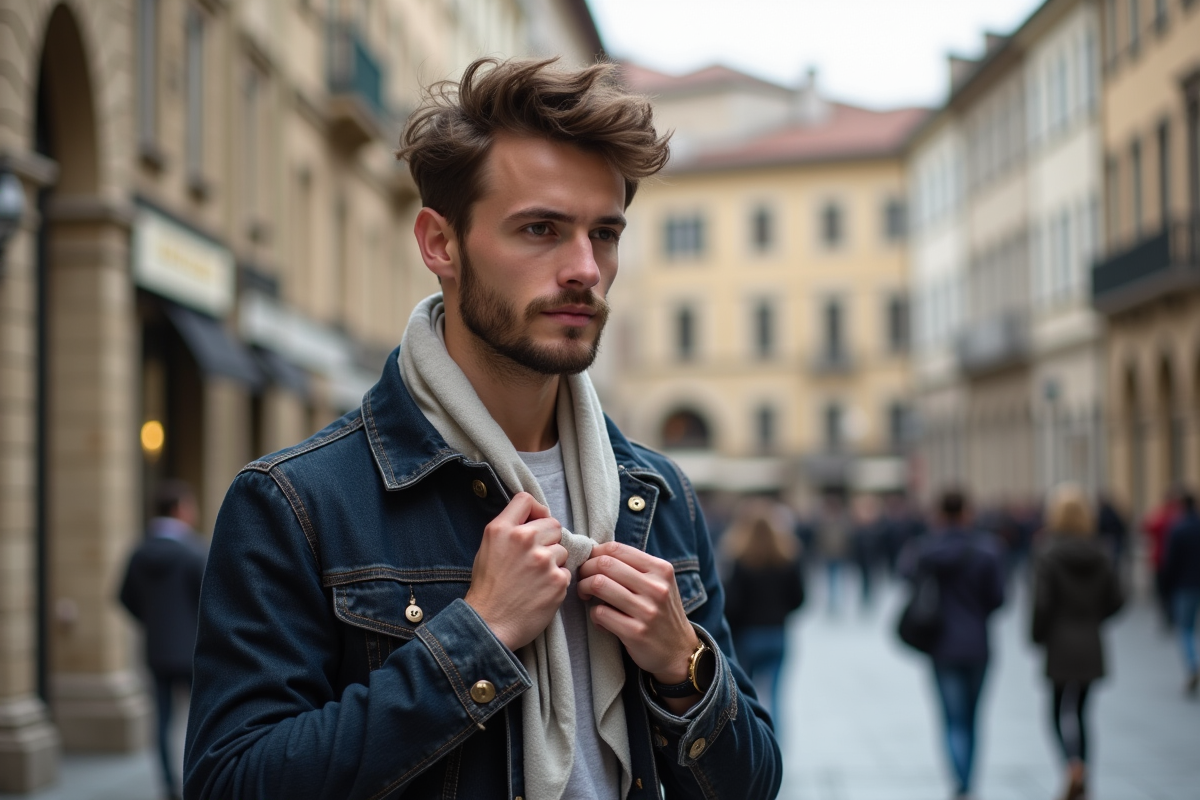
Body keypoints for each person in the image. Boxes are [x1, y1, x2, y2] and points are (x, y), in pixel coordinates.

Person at [183, 58, 781, 800]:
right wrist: (473, 639)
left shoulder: (655, 495)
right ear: (440, 244)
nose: (585, 269)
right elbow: (231, 784)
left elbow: (753, 785)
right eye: (541, 229)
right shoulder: (298, 503)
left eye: (604, 234)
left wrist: (685, 666)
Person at [899, 488, 1005, 800]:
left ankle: (959, 781)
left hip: (941, 645)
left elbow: (905, 576)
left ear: (939, 513)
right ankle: (969, 780)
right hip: (977, 645)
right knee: (973, 717)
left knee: (951, 718)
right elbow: (998, 599)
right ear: (967, 512)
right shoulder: (987, 550)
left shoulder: (924, 549)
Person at [1030, 484, 1124, 800]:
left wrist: (1037, 634)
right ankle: (1083, 770)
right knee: (1083, 713)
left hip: (1059, 641)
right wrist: (1094, 617)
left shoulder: (1047, 553)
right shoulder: (1102, 553)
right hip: (1090, 641)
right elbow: (1118, 599)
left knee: (1056, 712)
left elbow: (1041, 603)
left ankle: (1070, 766)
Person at [119, 480, 207, 800]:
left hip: (156, 650)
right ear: (180, 509)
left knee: (162, 719)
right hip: (193, 650)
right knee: (201, 717)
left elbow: (124, 596)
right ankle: (197, 780)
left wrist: (153, 622)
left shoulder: (139, 553)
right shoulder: (194, 552)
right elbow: (210, 600)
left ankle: (169, 785)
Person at [720, 500, 806, 727]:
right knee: (777, 695)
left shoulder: (739, 560)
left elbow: (732, 604)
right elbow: (799, 599)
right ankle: (776, 745)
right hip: (777, 634)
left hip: (748, 636)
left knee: (748, 696)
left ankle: (755, 745)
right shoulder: (787, 558)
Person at [1162, 491, 1200, 696]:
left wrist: (1167, 587)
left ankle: (1193, 663)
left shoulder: (1178, 530)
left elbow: (1171, 563)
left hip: (1185, 586)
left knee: (1185, 629)